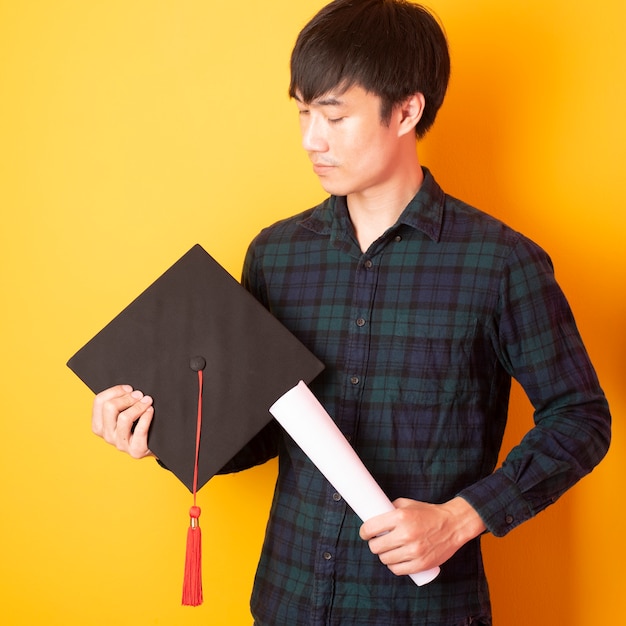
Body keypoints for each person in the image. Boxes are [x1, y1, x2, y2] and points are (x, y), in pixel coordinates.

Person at [91, 1, 611, 624]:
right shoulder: (275, 255)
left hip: (423, 610)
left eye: (335, 115)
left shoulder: (501, 264)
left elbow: (581, 418)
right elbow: (260, 431)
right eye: (304, 112)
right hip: (288, 598)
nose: (313, 139)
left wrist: (461, 517)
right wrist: (163, 432)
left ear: (408, 111)